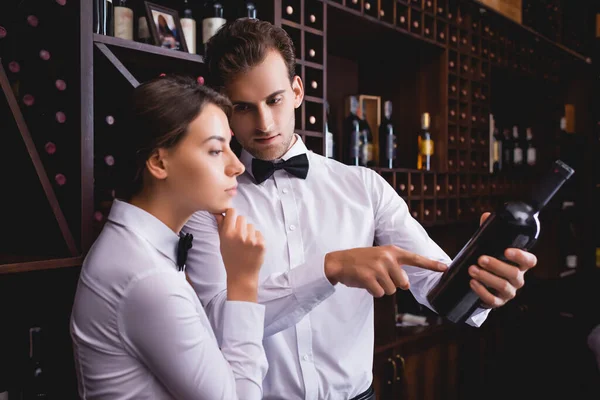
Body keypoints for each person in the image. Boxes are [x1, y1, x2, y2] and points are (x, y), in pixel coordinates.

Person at [183, 19, 538, 400]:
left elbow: (434, 281)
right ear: (225, 111)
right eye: (244, 107)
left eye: (274, 100)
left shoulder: (364, 187)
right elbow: (219, 323)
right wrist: (328, 269)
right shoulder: (207, 204)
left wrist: (480, 285)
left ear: (298, 91)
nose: (265, 123)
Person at [70, 75, 268, 400]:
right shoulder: (147, 279)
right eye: (216, 150)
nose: (236, 166)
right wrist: (244, 282)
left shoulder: (139, 249)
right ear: (159, 162)